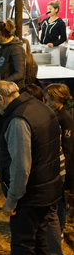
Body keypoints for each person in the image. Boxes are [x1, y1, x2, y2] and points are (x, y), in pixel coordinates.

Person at [0, 80, 62, 255]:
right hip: (48, 189)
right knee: (40, 242)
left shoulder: (19, 120)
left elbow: (21, 167)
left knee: (24, 249)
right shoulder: (40, 107)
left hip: (30, 196)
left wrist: (11, 200)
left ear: (1, 99)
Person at [44, 83, 74, 232]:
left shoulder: (65, 119)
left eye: (50, 100)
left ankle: (60, 229)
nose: (47, 104)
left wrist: (61, 167)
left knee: (60, 199)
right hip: (55, 163)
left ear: (61, 99)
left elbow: (67, 148)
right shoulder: (54, 114)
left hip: (62, 167)